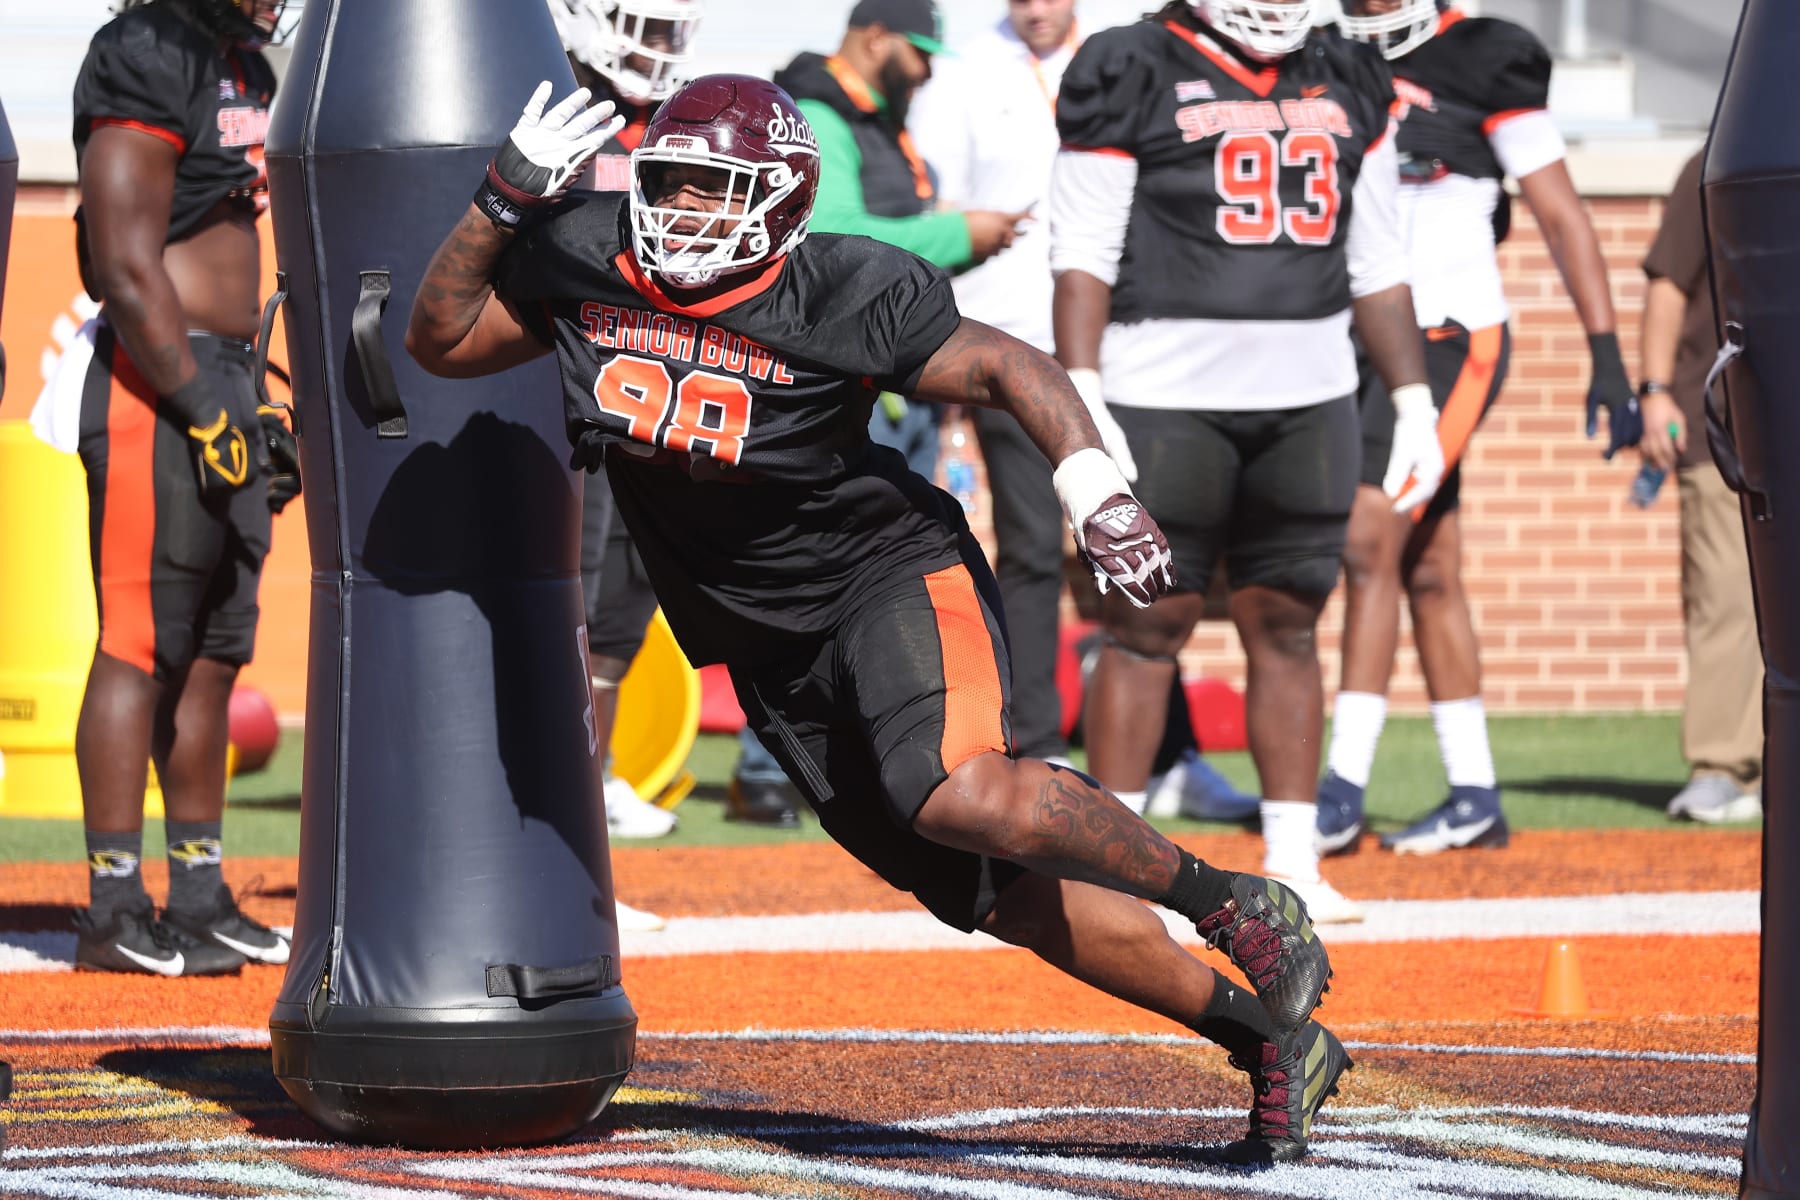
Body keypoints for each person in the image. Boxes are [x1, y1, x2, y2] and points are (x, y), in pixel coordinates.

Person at [411, 73, 1349, 1164]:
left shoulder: (841, 289)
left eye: (715, 189)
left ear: (781, 202)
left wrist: (1092, 484)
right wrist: (499, 201)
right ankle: (1271, 1042)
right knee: (993, 898)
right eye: (667, 181)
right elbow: (440, 341)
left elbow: (1009, 364)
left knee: (958, 790)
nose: (682, 209)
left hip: (884, 574)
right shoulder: (584, 254)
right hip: (762, 635)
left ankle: (1236, 903)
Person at [1054, 0, 1438, 924]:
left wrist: (1414, 395)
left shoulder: (1348, 71)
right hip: (1163, 391)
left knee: (1291, 623)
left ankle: (1294, 860)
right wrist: (1083, 388)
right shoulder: (1133, 63)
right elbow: (1083, 250)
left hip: (1310, 398)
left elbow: (1377, 260)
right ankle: (1119, 868)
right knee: (1148, 624)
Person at [907, 0, 1258, 821]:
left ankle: (1168, 754)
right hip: (1012, 349)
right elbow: (938, 214)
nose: (1036, 9)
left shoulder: (1127, 53)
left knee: (1148, 547)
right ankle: (1042, 748)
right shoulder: (963, 75)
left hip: (1129, 349)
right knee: (1033, 552)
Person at [1323, 0, 1642, 855]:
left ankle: (1340, 790)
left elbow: (1561, 211)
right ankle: (1474, 795)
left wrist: (1606, 353)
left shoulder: (1484, 53)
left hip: (1449, 334)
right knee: (1429, 565)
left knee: (1369, 535)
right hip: (1355, 339)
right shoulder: (1319, 51)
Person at [66, 0, 296, 976]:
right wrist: (198, 403)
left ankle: (197, 894)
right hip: (156, 382)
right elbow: (121, 262)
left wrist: (248, 400)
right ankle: (113, 905)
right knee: (139, 643)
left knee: (214, 650)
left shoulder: (243, 62)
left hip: (228, 375)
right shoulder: (145, 50)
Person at [547, 0, 699, 842]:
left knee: (628, 593)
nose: (661, 49)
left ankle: (594, 777)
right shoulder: (551, 107)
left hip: (655, 383)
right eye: (645, 26)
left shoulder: (667, 123)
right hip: (570, 386)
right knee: (572, 583)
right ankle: (556, 789)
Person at [771, 0, 1033, 483]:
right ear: (876, 39)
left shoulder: (874, 116)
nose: (926, 72)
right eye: (920, 53)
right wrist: (960, 234)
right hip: (851, 387)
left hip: (898, 376)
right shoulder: (818, 114)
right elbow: (832, 237)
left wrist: (969, 245)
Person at [1636, 150, 1762, 824]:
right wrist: (1654, 391)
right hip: (1721, 422)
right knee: (1725, 596)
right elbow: (1667, 284)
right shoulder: (1717, 161)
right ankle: (1720, 766)